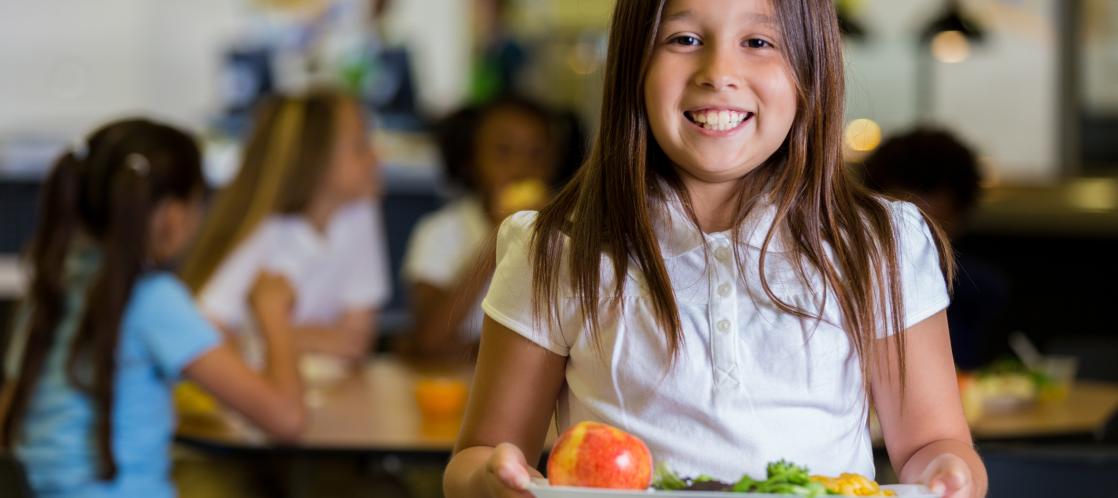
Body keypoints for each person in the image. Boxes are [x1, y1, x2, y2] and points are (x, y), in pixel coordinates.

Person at [443, 1, 987, 498]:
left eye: (758, 42)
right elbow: (478, 457)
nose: (718, 73)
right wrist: (493, 481)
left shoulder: (878, 244)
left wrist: (951, 474)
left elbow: (932, 444)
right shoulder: (559, 248)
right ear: (633, 65)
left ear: (811, 70)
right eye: (682, 39)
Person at [0, 119, 304, 498]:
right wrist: (273, 313)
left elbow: (11, 416)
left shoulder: (51, 285)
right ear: (174, 215)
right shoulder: (154, 298)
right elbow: (286, 419)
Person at [181, 88, 391, 365]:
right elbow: (203, 336)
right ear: (315, 159)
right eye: (360, 145)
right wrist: (311, 337)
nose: (377, 156)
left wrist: (265, 335)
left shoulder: (357, 212)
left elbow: (355, 341)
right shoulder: (262, 230)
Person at [402, 96, 557, 356]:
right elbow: (430, 339)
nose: (521, 168)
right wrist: (500, 234)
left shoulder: (564, 236)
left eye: (535, 154)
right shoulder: (438, 232)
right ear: (472, 160)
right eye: (503, 152)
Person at [861, 128, 1008, 370]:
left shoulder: (979, 291)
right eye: (903, 224)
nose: (914, 241)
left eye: (930, 228)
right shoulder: (852, 287)